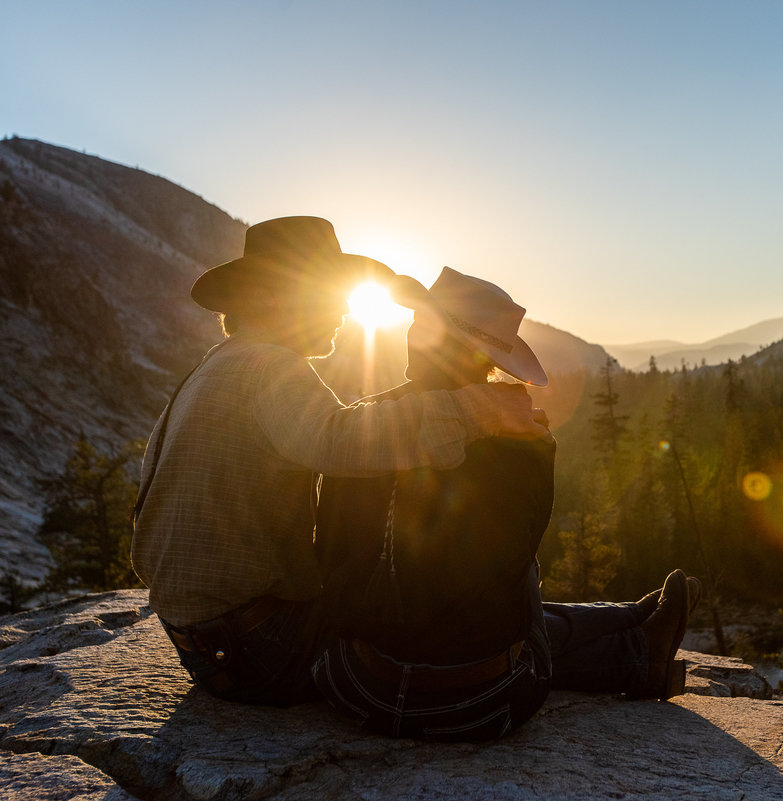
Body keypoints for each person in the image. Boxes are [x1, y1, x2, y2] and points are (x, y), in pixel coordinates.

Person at [131, 217, 548, 707]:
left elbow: (327, 429)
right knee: (441, 623)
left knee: (431, 614)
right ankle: (620, 645)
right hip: (261, 644)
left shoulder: (219, 365)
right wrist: (481, 409)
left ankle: (625, 633)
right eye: (330, 295)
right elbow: (340, 438)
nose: (345, 312)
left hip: (210, 643)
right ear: (278, 299)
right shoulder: (269, 367)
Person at [312, 267, 694, 741]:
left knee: (470, 592)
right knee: (521, 580)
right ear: (488, 358)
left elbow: (328, 554)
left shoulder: (360, 428)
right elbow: (508, 576)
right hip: (479, 705)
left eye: (420, 323)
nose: (412, 332)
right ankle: (634, 647)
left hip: (358, 686)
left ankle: (633, 624)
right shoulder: (522, 440)